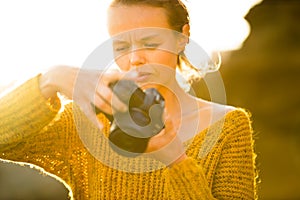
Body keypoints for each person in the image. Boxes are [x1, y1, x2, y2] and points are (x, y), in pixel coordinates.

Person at [0, 0, 258, 199]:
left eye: (149, 43)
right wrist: (50, 79)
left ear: (182, 38)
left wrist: (176, 162)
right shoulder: (88, 121)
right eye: (121, 47)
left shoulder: (227, 126)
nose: (135, 59)